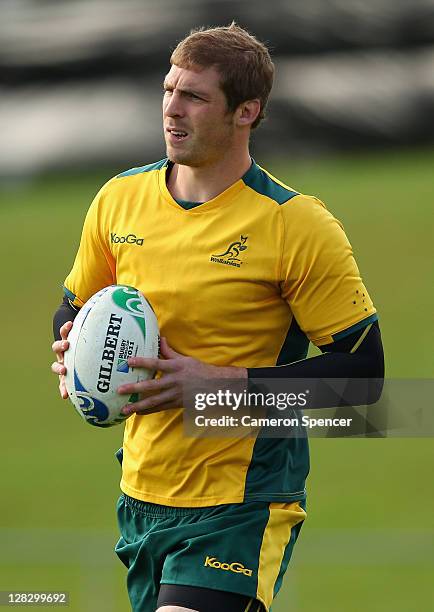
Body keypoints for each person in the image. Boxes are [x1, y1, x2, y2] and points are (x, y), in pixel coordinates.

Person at [51, 23, 384, 612]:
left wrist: (220, 386)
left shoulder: (295, 225)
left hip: (243, 504)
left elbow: (363, 381)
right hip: (141, 493)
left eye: (194, 96)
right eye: (168, 89)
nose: (171, 109)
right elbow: (77, 308)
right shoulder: (117, 200)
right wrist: (72, 352)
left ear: (246, 112)